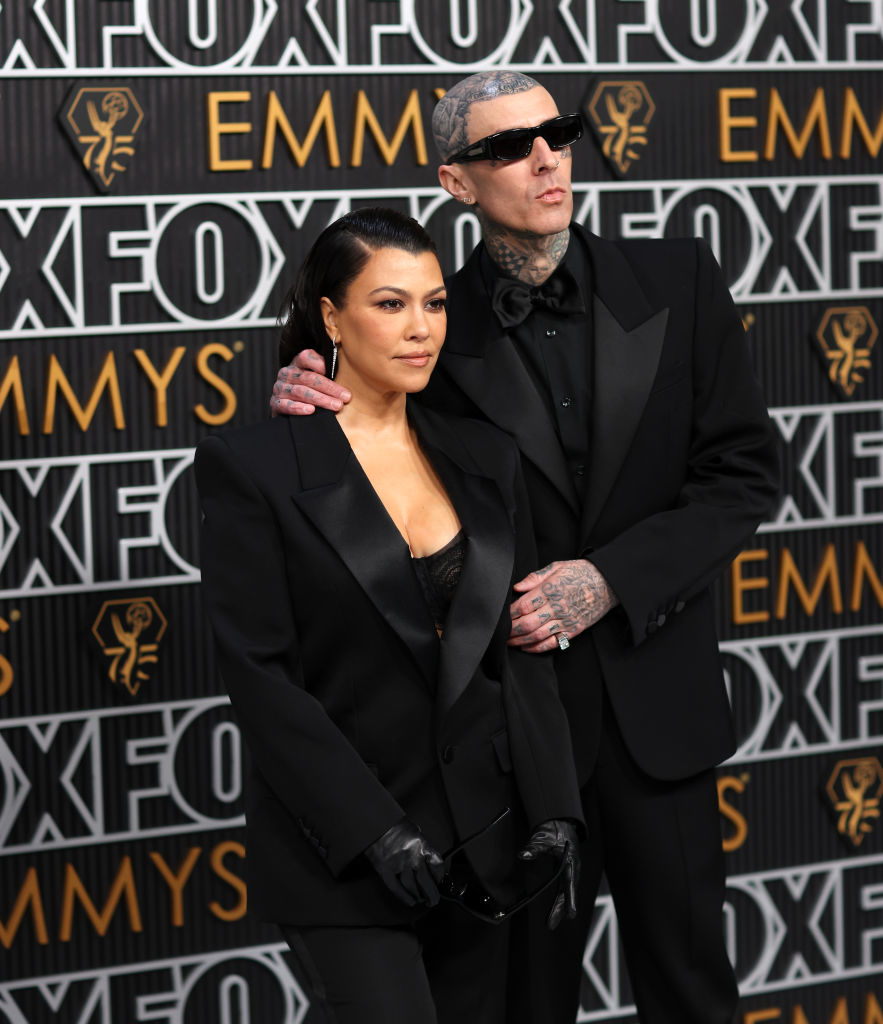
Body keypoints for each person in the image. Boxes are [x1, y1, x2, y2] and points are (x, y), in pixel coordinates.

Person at [270, 73, 781, 1023]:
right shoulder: (425, 323)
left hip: (656, 713)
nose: (545, 158)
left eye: (557, 132)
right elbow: (360, 448)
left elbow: (744, 473)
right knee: (528, 1007)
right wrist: (306, 385)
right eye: (507, 147)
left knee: (693, 993)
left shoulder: (677, 277)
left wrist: (609, 580)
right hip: (512, 743)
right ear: (456, 183)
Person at [195, 207, 584, 1024]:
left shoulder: (485, 457)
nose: (420, 329)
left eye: (435, 303)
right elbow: (260, 676)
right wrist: (373, 830)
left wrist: (553, 810)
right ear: (331, 315)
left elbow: (518, 652)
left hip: (484, 840)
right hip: (340, 851)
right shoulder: (255, 466)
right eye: (390, 303)